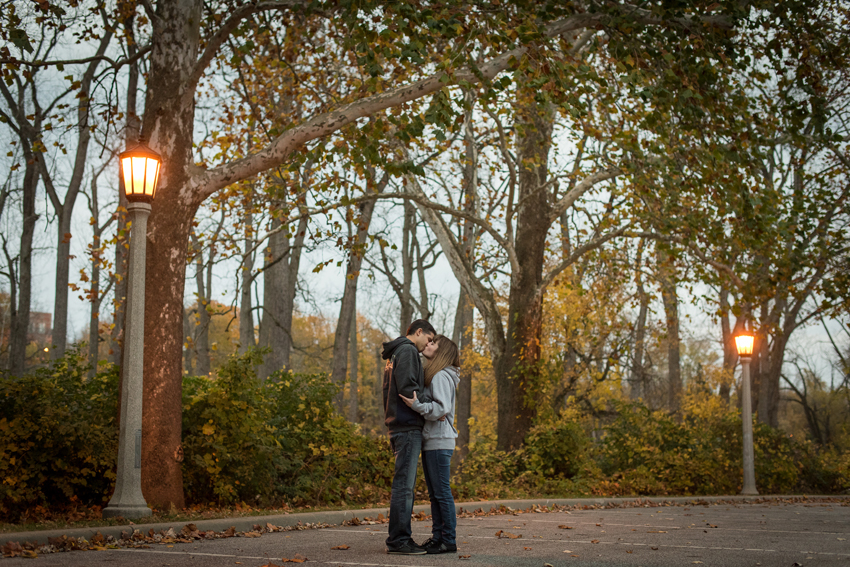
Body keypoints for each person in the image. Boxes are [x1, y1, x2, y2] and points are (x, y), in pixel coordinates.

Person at [399, 334, 460, 555]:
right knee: (436, 494)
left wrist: (417, 405)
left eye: (433, 343)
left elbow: (441, 409)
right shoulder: (438, 375)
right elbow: (438, 409)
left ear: (441, 352)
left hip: (439, 441)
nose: (428, 344)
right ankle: (438, 538)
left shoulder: (441, 376)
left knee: (441, 493)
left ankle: (448, 540)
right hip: (434, 440)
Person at [381, 319, 436, 555]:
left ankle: (400, 538)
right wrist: (432, 407)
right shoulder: (408, 351)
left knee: (403, 485)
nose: (429, 344)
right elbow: (408, 389)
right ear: (419, 332)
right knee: (404, 486)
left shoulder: (396, 354)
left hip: (398, 425)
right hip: (406, 426)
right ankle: (399, 540)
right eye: (430, 339)